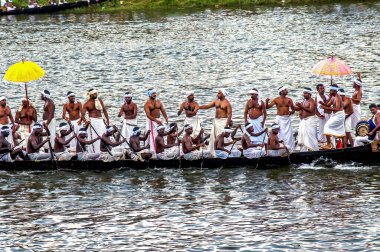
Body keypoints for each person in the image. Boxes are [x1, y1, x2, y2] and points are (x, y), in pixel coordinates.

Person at [199, 88, 232, 156]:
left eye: (219, 93)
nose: (217, 94)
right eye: (218, 93)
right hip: (216, 121)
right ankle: (213, 153)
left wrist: (226, 125)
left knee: (224, 137)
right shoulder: (216, 101)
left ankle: (226, 152)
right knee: (214, 137)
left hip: (223, 121)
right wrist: (198, 107)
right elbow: (207, 106)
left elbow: (229, 115)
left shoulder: (227, 103)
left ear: (223, 94)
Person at [266, 86, 295, 151]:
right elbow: (267, 107)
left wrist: (291, 112)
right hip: (279, 118)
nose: (287, 91)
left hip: (287, 118)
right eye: (285, 90)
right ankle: (279, 147)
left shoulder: (289, 99)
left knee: (288, 134)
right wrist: (266, 101)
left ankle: (289, 148)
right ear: (281, 92)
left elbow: (293, 109)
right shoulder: (276, 99)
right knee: (279, 132)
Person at [81, 89, 109, 154]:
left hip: (101, 120)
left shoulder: (99, 100)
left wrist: (107, 119)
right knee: (94, 136)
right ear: (90, 95)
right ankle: (94, 153)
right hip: (93, 121)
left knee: (103, 135)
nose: (95, 94)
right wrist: (85, 122)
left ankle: (103, 151)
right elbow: (82, 115)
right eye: (94, 94)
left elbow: (104, 110)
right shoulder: (86, 103)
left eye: (96, 93)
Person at [319, 85, 345, 149]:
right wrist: (322, 103)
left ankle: (329, 144)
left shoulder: (338, 98)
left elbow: (336, 109)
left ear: (334, 90)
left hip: (339, 115)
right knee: (341, 132)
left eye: (331, 90)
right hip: (335, 115)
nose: (329, 91)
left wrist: (324, 107)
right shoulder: (333, 96)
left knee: (326, 126)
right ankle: (334, 145)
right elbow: (328, 105)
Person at [144, 89, 169, 156]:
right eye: (153, 93)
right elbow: (148, 115)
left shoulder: (158, 102)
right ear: (149, 94)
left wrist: (166, 117)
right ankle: (153, 151)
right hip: (152, 121)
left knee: (162, 134)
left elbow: (162, 110)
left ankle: (162, 150)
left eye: (155, 93)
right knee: (153, 136)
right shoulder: (147, 104)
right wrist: (155, 120)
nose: (155, 94)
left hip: (159, 120)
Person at [294, 87, 318, 152]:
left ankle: (314, 150)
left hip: (310, 121)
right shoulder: (304, 101)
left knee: (311, 137)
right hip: (304, 121)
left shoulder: (312, 101)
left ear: (309, 94)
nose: (304, 94)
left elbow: (311, 110)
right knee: (303, 136)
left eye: (305, 93)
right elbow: (298, 109)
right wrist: (291, 106)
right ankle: (303, 151)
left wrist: (301, 106)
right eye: (303, 93)